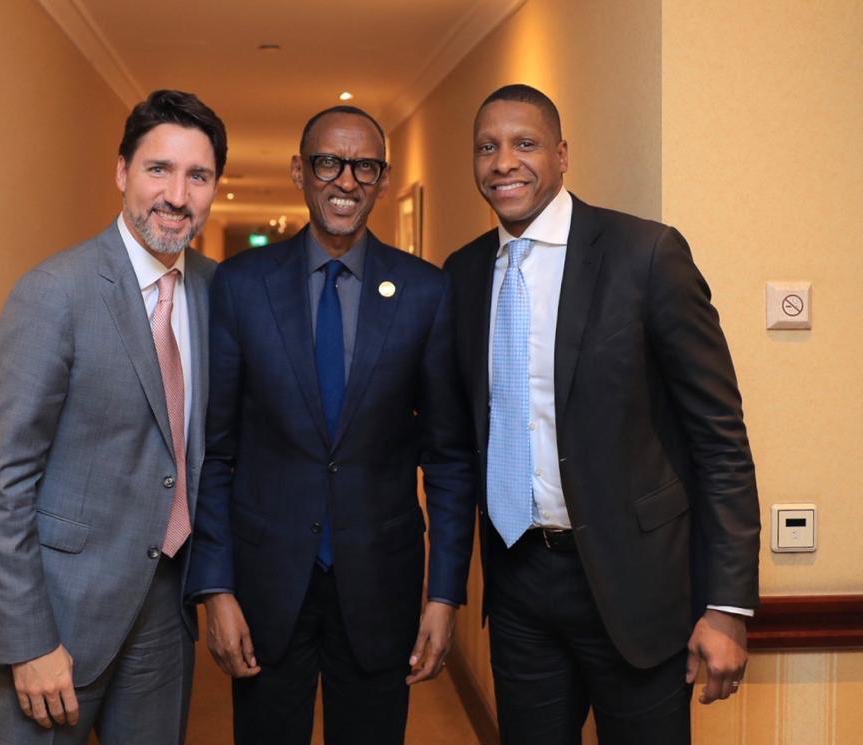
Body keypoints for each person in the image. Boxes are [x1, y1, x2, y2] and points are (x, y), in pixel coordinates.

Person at [443, 84, 761, 744]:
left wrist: (728, 605)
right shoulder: (464, 273)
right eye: (486, 147)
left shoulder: (645, 255)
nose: (503, 162)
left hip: (635, 585)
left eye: (524, 143)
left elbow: (720, 440)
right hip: (519, 584)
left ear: (561, 155)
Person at [186, 105, 474, 745]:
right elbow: (215, 450)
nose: (346, 180)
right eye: (328, 163)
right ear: (300, 171)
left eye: (365, 166)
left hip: (381, 584)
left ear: (383, 180)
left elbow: (448, 459)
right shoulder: (240, 285)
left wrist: (444, 595)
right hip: (266, 583)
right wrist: (216, 587)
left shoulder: (426, 292)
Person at [0, 89, 225, 744]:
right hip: (57, 615)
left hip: (164, 609)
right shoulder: (55, 291)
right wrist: (28, 639)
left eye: (197, 176)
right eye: (159, 169)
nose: (176, 195)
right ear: (122, 172)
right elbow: (1, 482)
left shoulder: (217, 291)